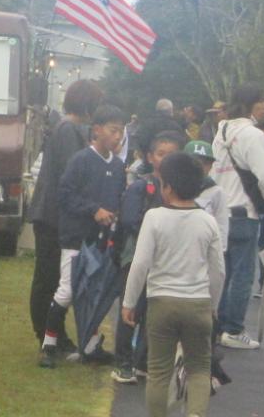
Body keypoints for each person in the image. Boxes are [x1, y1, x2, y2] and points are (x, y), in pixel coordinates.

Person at [122, 150, 224, 417]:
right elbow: (218, 270)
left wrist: (129, 302)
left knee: (159, 371)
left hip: (161, 303)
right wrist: (213, 305)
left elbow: (140, 264)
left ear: (167, 187)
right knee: (199, 367)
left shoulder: (155, 218)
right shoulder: (207, 221)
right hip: (197, 304)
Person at [41, 106, 128, 367]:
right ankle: (48, 345)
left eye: (122, 132)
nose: (118, 137)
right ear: (97, 130)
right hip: (76, 238)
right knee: (67, 291)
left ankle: (89, 346)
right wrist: (93, 211)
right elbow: (65, 195)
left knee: (93, 293)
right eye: (114, 131)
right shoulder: (81, 160)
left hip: (102, 241)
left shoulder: (119, 166)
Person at [211, 83, 264, 350]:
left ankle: (215, 325)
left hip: (220, 211)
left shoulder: (221, 131)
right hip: (244, 212)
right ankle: (234, 329)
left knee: (222, 272)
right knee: (243, 274)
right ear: (251, 103)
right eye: (262, 100)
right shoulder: (253, 135)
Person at [26, 81, 98, 349]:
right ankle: (46, 332)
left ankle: (52, 331)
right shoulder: (68, 130)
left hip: (54, 213)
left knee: (55, 277)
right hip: (52, 215)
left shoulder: (68, 129)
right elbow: (74, 174)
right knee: (48, 278)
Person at [114, 131, 185, 384]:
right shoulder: (141, 186)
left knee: (153, 312)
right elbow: (129, 220)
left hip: (165, 262)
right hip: (135, 258)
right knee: (130, 308)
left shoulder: (181, 190)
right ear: (150, 157)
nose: (166, 159)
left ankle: (143, 361)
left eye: (172, 154)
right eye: (161, 154)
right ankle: (123, 361)